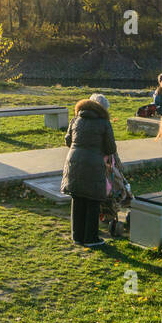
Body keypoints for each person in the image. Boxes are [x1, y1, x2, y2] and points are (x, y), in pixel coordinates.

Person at [61, 94, 117, 247]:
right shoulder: (104, 123)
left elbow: (67, 140)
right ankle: (91, 238)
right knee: (93, 199)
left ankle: (77, 236)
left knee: (77, 197)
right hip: (93, 162)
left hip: (73, 161)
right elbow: (111, 148)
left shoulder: (76, 119)